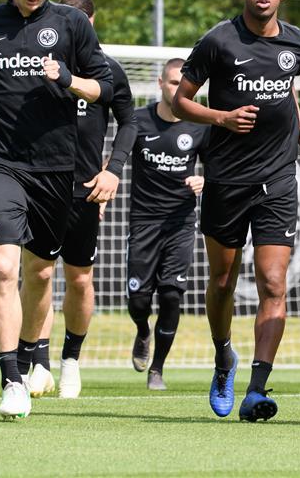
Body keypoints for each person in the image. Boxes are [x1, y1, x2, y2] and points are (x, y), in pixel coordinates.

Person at [0, 0, 113, 419]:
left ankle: (34, 356)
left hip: (56, 168)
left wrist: (66, 79)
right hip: (1, 160)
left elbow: (104, 86)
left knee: (40, 272)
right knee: (4, 267)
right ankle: (11, 381)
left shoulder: (69, 24)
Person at [173, 0, 300, 421]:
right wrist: (222, 118)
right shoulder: (219, 40)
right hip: (225, 180)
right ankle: (223, 357)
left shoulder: (298, 42)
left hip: (277, 179)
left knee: (274, 283)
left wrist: (299, 128)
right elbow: (180, 101)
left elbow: (287, 88)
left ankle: (257, 387)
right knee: (222, 281)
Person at [25, 0, 137, 399]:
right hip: (40, 184)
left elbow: (129, 123)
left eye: (80, 21)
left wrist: (113, 171)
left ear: (90, 21)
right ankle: (36, 361)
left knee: (79, 278)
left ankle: (70, 361)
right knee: (37, 274)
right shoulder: (38, 63)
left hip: (86, 190)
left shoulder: (108, 70)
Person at [127, 59, 207, 390]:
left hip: (180, 222)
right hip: (144, 221)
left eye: (183, 85)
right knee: (138, 301)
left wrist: (205, 181)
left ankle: (157, 368)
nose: (178, 90)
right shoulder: (139, 120)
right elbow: (116, 155)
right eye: (173, 83)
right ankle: (143, 330)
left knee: (172, 295)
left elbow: (218, 168)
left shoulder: (201, 125)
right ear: (161, 83)